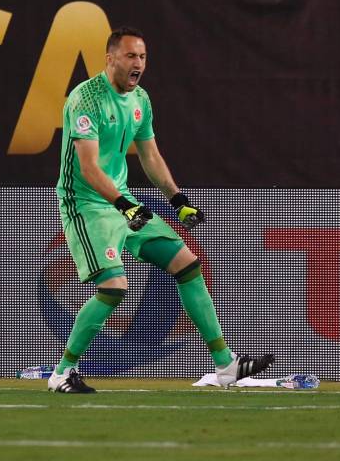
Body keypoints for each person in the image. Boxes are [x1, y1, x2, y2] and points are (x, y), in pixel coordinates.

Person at [48, 27, 274, 394]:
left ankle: (225, 365)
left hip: (122, 201)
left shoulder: (140, 99)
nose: (138, 64)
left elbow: (150, 155)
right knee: (113, 287)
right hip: (86, 203)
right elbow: (89, 169)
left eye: (142, 57)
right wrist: (124, 206)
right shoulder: (85, 99)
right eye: (130, 56)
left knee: (187, 264)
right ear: (110, 59)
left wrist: (178, 200)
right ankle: (62, 374)